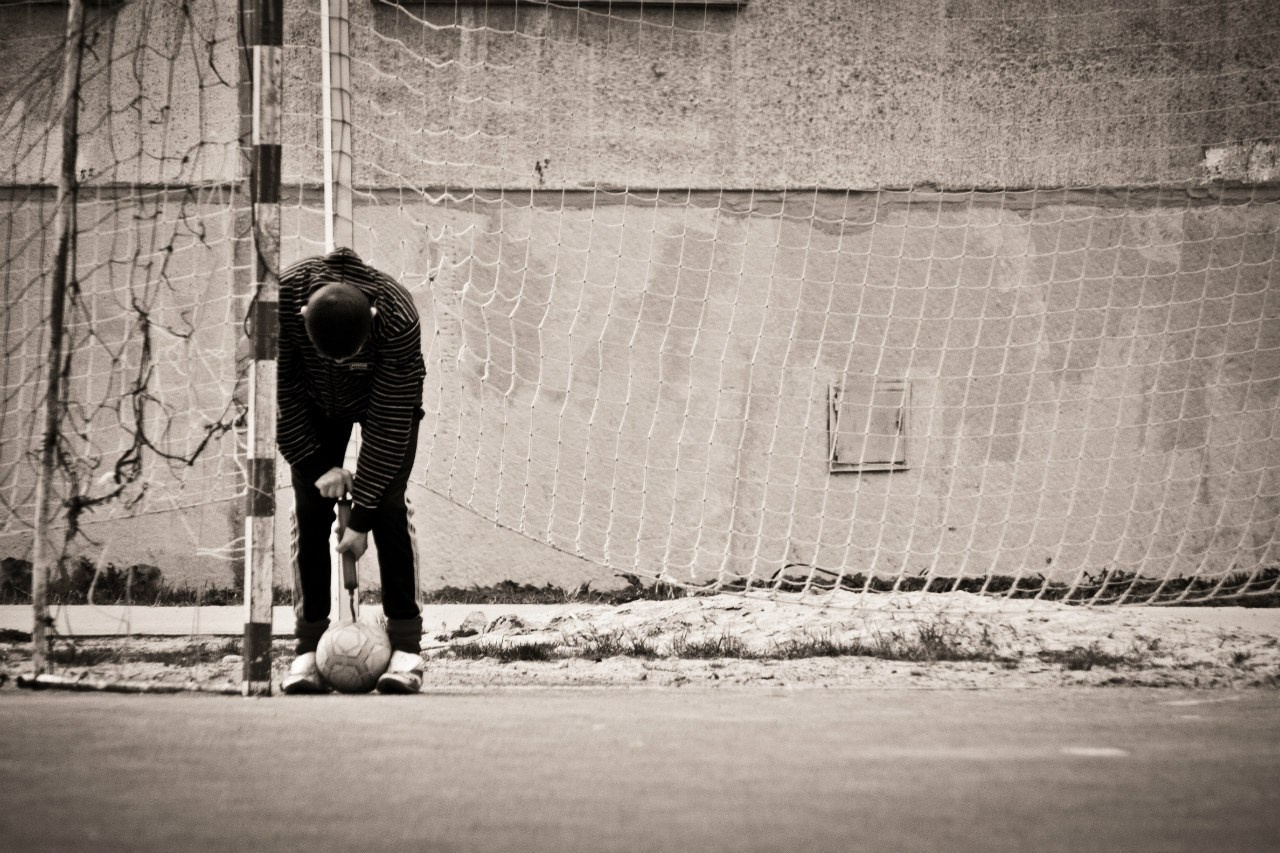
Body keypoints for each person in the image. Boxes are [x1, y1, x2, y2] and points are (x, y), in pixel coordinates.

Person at [275, 247, 427, 695]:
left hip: (382, 399)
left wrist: (360, 520)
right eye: (332, 355)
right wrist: (314, 464)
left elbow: (390, 424)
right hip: (311, 403)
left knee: (388, 507)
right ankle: (307, 648)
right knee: (309, 506)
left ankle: (407, 649)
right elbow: (275, 394)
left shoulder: (397, 316)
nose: (341, 363)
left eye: (350, 353)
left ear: (372, 320)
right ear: (303, 318)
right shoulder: (280, 303)